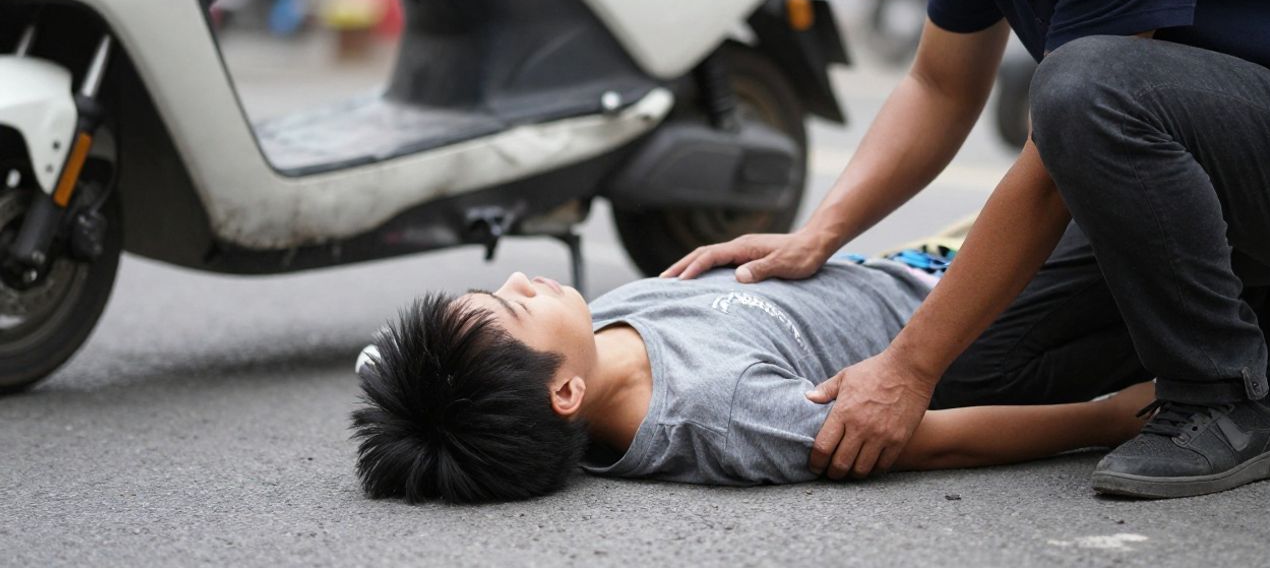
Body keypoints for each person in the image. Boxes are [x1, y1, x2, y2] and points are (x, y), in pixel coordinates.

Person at [662, 0, 1270, 499]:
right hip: (1260, 165)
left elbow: (1060, 159)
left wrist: (905, 368)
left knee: (1083, 88)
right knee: (972, 373)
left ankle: (1225, 397)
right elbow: (940, 86)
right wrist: (819, 235)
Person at [350, 251, 1154, 503]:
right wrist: (1106, 421)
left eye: (496, 292)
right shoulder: (716, 414)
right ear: (564, 394)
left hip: (916, 264)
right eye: (513, 307)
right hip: (985, 331)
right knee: (1101, 148)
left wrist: (803, 245)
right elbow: (927, 441)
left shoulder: (599, 328)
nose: (521, 281)